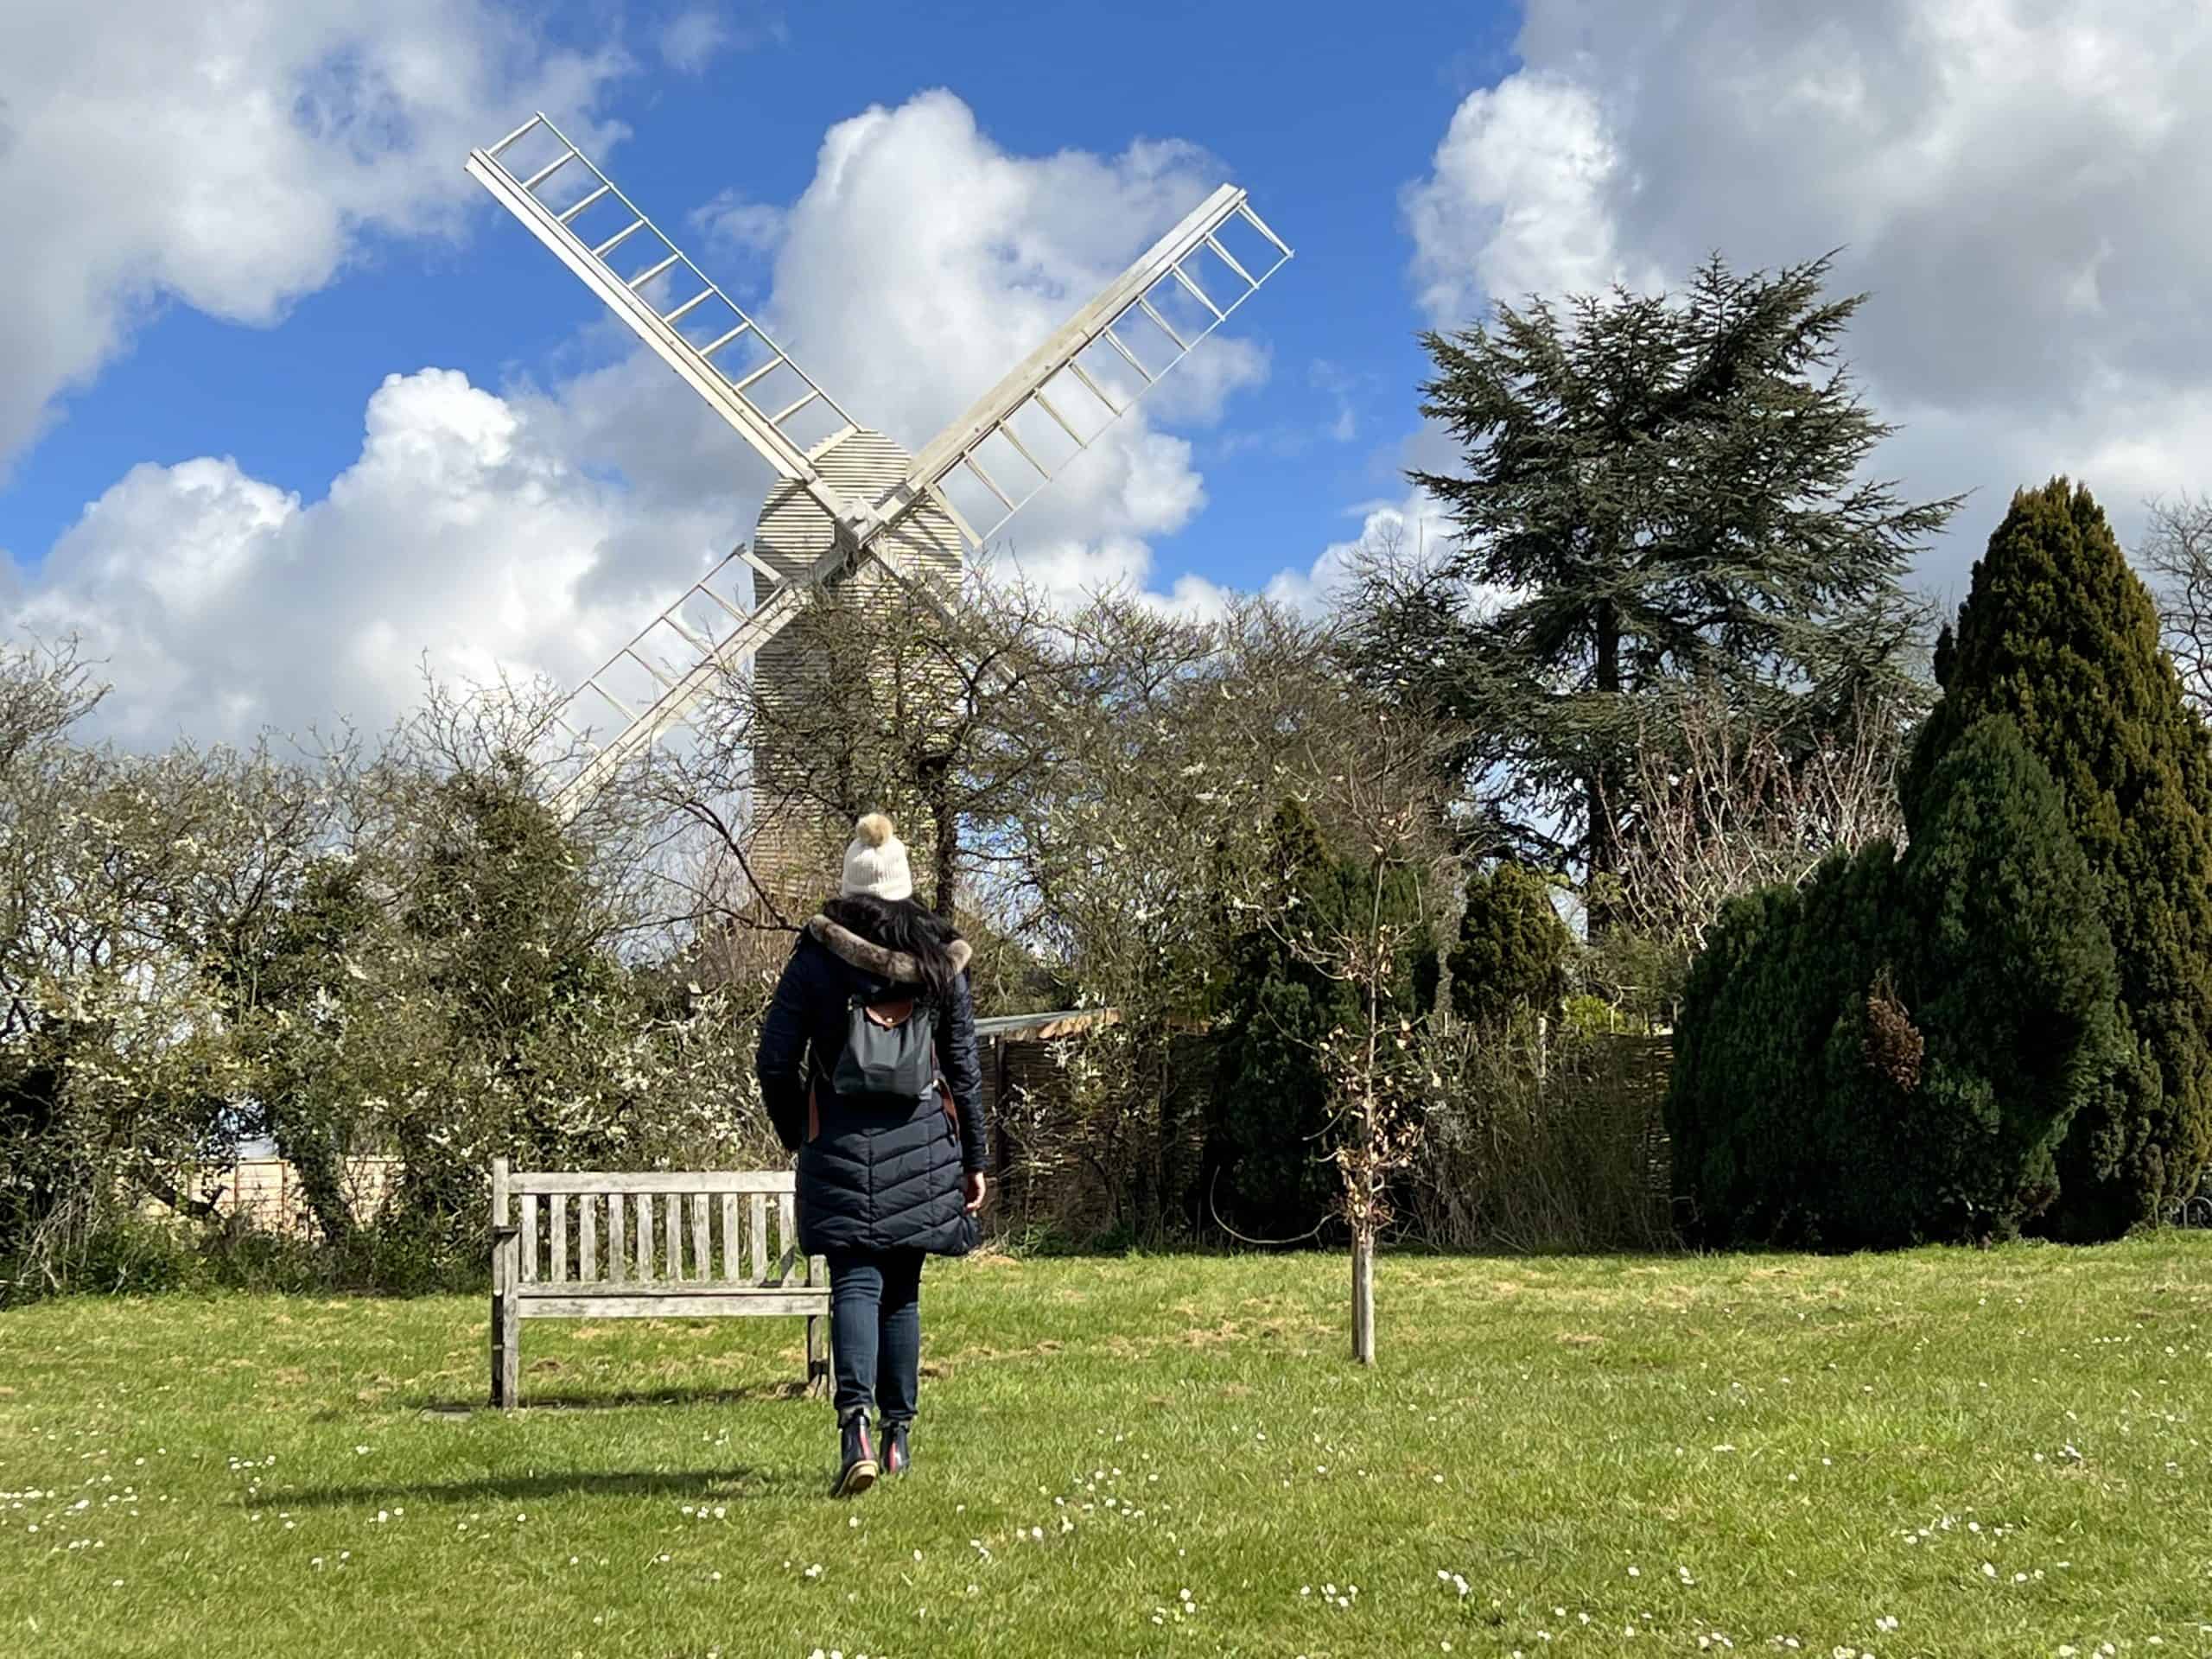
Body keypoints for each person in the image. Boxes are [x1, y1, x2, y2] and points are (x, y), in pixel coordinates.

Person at [756, 811, 988, 1496]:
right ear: (906, 885)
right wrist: (974, 1155)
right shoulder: (941, 961)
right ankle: (897, 1439)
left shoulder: (818, 956)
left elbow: (774, 1059)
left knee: (854, 1282)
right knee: (903, 1291)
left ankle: (853, 1425)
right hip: (924, 1142)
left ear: (850, 882)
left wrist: (798, 1128)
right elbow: (965, 1068)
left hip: (840, 1136)